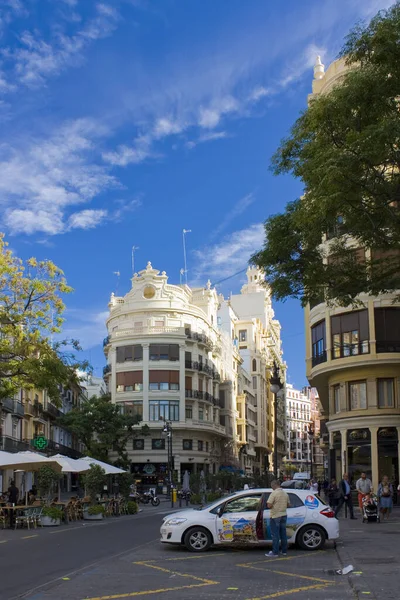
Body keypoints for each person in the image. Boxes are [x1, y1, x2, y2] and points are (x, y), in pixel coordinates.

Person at [265, 480, 290, 558]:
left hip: (275, 516)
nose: (271, 487)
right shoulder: (285, 494)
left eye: (271, 486)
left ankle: (275, 552)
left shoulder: (274, 493)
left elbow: (269, 505)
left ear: (274, 485)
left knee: (275, 535)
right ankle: (284, 551)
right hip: (283, 515)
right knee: (283, 534)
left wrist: (274, 505)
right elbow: (289, 505)